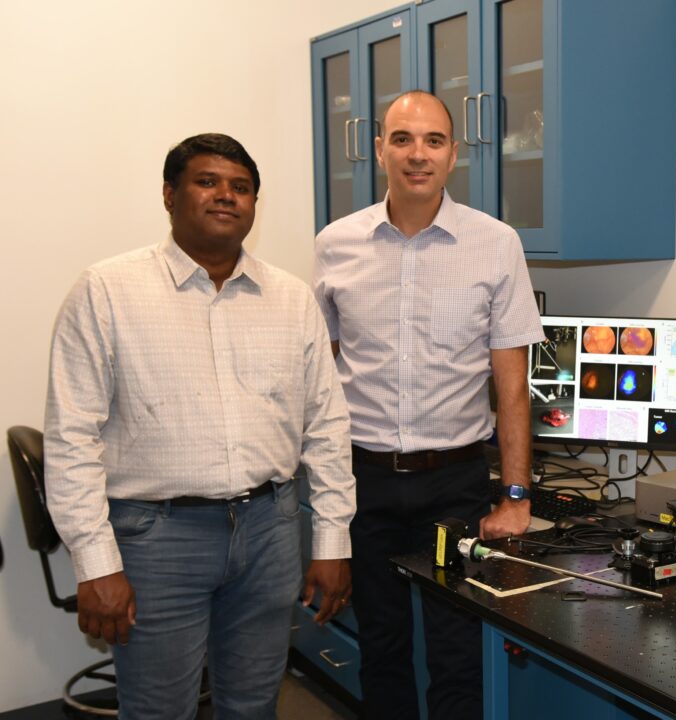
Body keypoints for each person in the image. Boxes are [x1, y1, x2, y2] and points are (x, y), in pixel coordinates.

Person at [44, 133, 356, 719]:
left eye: (241, 187)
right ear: (169, 195)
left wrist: (332, 541)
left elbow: (328, 429)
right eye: (207, 182)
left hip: (270, 528)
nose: (226, 196)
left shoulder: (290, 299)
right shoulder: (107, 291)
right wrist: (95, 562)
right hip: (157, 539)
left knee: (254, 705)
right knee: (160, 710)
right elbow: (71, 438)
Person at [313, 90, 545, 719]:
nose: (418, 155)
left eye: (434, 141)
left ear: (453, 153)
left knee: (457, 651)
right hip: (363, 483)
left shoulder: (496, 244)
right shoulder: (336, 244)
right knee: (382, 648)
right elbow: (319, 382)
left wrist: (517, 497)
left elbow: (512, 386)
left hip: (455, 486)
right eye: (404, 139)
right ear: (379, 148)